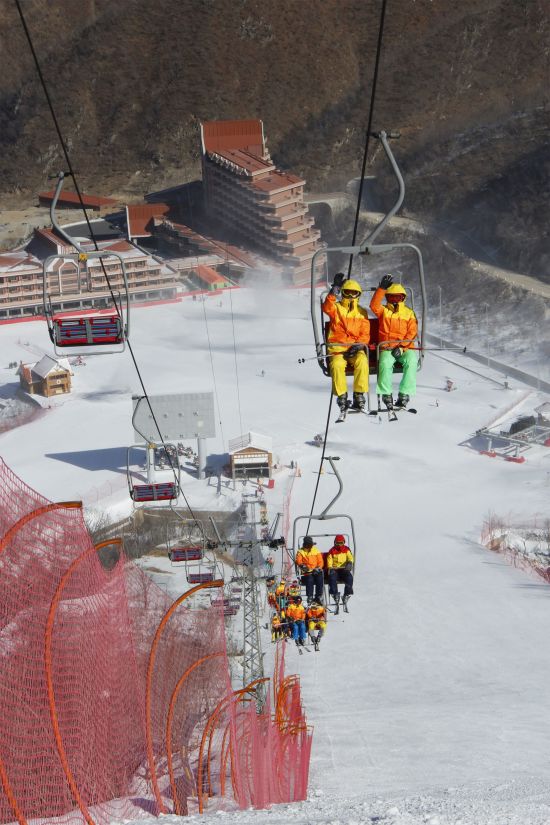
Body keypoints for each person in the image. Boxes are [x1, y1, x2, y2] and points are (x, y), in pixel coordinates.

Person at [321, 273, 371, 412]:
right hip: (338, 349)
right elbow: (326, 307)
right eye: (347, 292)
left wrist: (359, 345)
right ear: (342, 293)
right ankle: (342, 396)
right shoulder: (336, 308)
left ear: (358, 295)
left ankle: (359, 394)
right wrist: (334, 290)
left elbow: (365, 334)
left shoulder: (362, 313)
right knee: (336, 365)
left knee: (362, 361)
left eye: (353, 293)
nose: (350, 296)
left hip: (354, 349)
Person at [369, 274, 418, 409]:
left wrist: (402, 347)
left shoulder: (409, 313)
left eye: (398, 297)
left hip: (404, 348)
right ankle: (386, 394)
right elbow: (373, 306)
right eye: (391, 297)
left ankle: (404, 393)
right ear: (387, 298)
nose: (395, 300)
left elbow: (412, 332)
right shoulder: (383, 311)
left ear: (403, 298)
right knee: (385, 363)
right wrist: (381, 289)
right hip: (387, 348)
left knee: (412, 361)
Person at [327, 534, 354, 609]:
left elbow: (350, 557)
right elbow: (329, 560)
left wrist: (349, 563)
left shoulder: (346, 550)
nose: (339, 545)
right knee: (332, 578)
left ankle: (347, 594)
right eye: (337, 543)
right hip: (335, 569)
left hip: (344, 569)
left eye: (341, 543)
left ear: (344, 542)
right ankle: (335, 594)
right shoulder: (332, 551)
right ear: (335, 543)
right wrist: (330, 567)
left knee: (349, 578)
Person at [295, 536, 324, 604]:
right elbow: (298, 561)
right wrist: (302, 566)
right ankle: (310, 597)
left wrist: (318, 568)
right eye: (306, 545)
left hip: (316, 571)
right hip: (306, 573)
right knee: (310, 579)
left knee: (320, 579)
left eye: (309, 545)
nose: (308, 546)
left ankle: (318, 596)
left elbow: (320, 561)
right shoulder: (301, 552)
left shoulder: (315, 550)